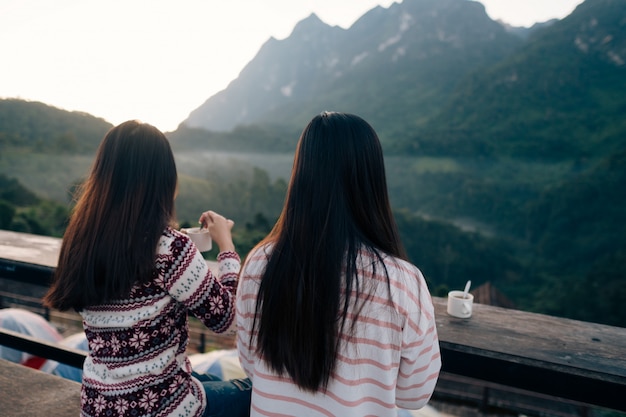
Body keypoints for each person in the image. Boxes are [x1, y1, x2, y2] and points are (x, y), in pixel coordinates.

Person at [236, 111, 441, 416]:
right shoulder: (402, 283)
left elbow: (252, 364)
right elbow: (414, 396)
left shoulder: (259, 265)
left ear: (301, 174)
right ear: (371, 181)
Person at [43, 120, 251, 417]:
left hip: (98, 405)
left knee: (208, 381)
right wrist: (226, 247)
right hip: (161, 409)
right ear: (164, 180)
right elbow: (230, 320)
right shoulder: (170, 248)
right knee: (255, 393)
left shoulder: (81, 240)